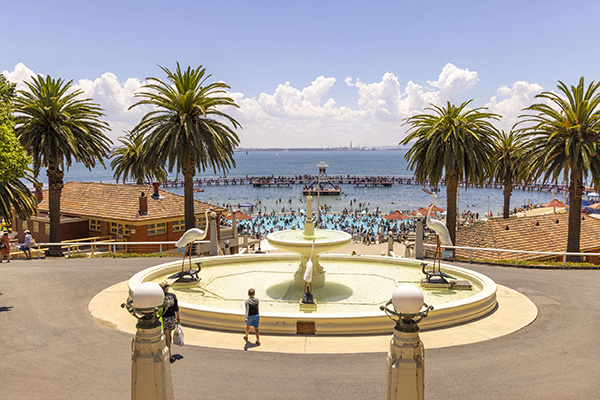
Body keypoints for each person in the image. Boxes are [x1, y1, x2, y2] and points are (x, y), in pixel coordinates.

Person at [159, 281, 180, 362]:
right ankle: (168, 351)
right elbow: (176, 308)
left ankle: (168, 353)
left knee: (166, 335)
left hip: (163, 318)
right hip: (171, 318)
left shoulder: (159, 297)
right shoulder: (172, 296)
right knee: (168, 335)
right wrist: (178, 317)